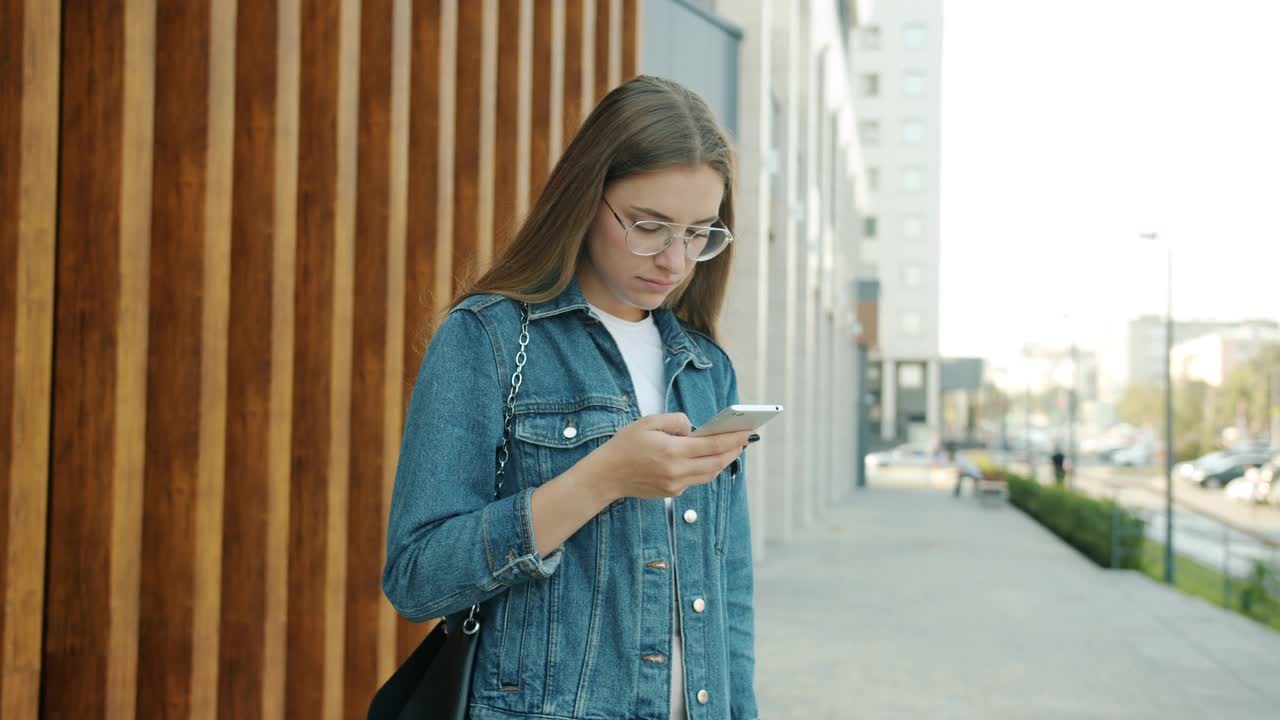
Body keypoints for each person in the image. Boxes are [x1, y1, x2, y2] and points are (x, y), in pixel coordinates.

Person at [382, 76, 759, 720]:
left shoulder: (705, 368)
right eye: (649, 226)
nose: (674, 260)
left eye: (699, 234)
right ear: (587, 200)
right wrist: (601, 479)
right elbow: (418, 577)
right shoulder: (488, 338)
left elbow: (730, 596)